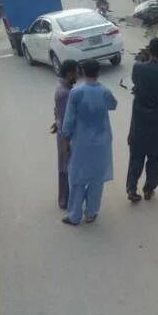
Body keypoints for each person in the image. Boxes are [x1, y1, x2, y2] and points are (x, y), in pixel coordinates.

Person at [59, 59, 117, 225]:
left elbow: (68, 121)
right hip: (102, 143)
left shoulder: (76, 93)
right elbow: (113, 105)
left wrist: (65, 141)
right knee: (96, 179)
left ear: (83, 73)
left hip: (81, 143)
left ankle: (74, 215)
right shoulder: (105, 91)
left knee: (77, 178)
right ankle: (91, 213)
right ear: (98, 73)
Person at [126, 38, 158, 203]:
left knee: (136, 156)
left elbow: (136, 83)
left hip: (140, 119)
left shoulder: (138, 68)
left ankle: (131, 188)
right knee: (155, 158)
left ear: (149, 50)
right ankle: (149, 189)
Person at [51, 59, 79, 209]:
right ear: (69, 74)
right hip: (65, 137)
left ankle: (65, 198)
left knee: (65, 166)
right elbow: (68, 120)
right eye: (76, 72)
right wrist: (67, 142)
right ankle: (65, 200)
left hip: (62, 132)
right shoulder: (66, 93)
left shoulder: (62, 87)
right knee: (66, 168)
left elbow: (57, 113)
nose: (78, 75)